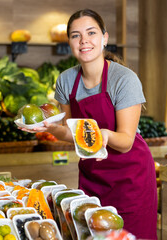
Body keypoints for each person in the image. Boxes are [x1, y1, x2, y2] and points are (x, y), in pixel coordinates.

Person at [20, 9, 157, 239]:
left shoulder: (124, 79)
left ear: (104, 38)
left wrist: (104, 134)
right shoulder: (66, 80)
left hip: (131, 180)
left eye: (91, 33)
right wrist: (51, 128)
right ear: (70, 43)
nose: (84, 40)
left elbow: (124, 142)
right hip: (93, 178)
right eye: (75, 35)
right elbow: (72, 133)